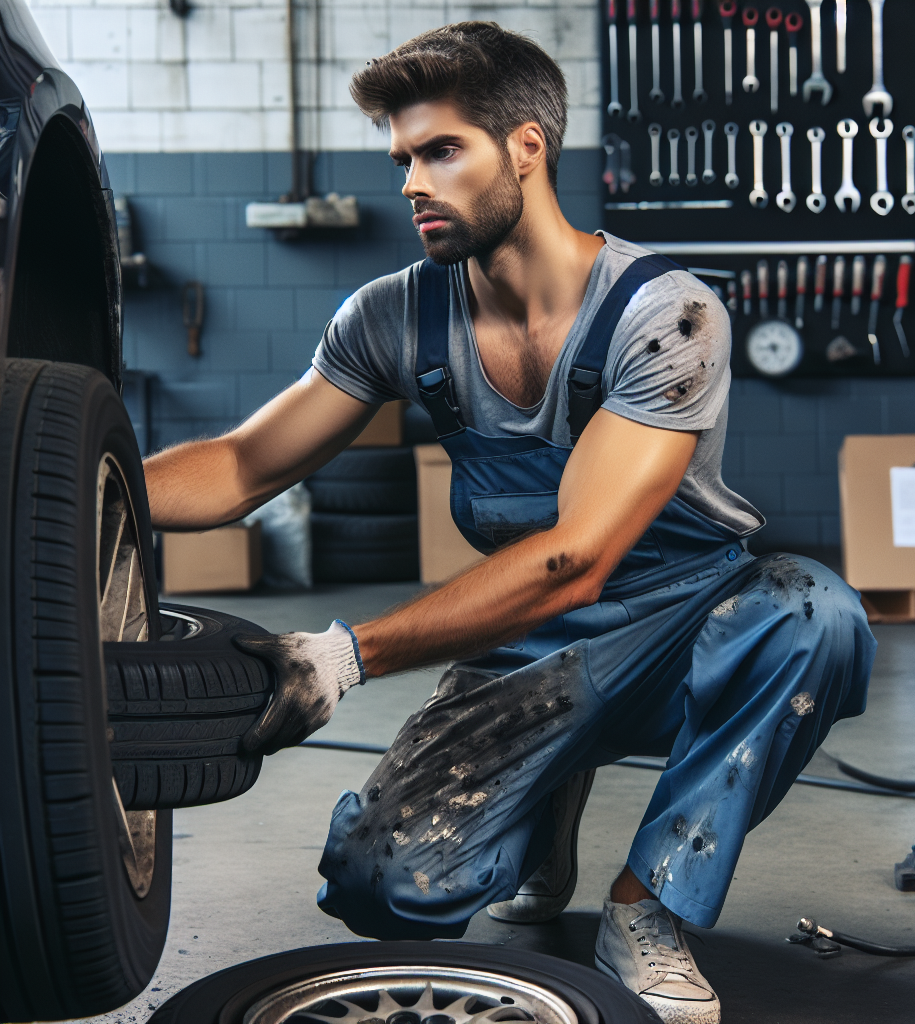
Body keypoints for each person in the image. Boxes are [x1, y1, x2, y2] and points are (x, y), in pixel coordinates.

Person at [143, 22, 875, 1023]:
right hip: (528, 643)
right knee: (384, 884)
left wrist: (344, 655)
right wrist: (66, 483)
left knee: (814, 616)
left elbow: (578, 556)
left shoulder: (665, 313)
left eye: (442, 150)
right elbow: (236, 467)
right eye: (402, 156)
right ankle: (545, 800)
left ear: (525, 147)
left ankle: (645, 906)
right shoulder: (392, 315)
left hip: (689, 620)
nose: (411, 182)